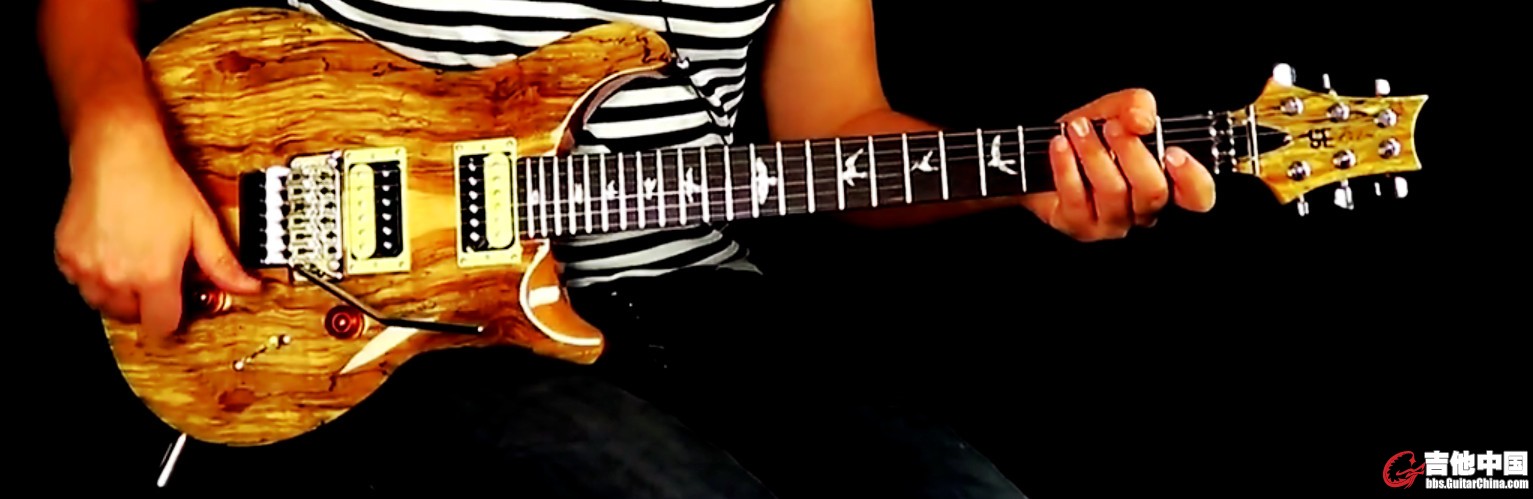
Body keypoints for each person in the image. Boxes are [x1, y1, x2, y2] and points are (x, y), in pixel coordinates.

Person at [42, 0, 1217, 496]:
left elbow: (835, 122)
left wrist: (1027, 174)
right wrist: (113, 138)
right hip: (396, 308)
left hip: (703, 300)